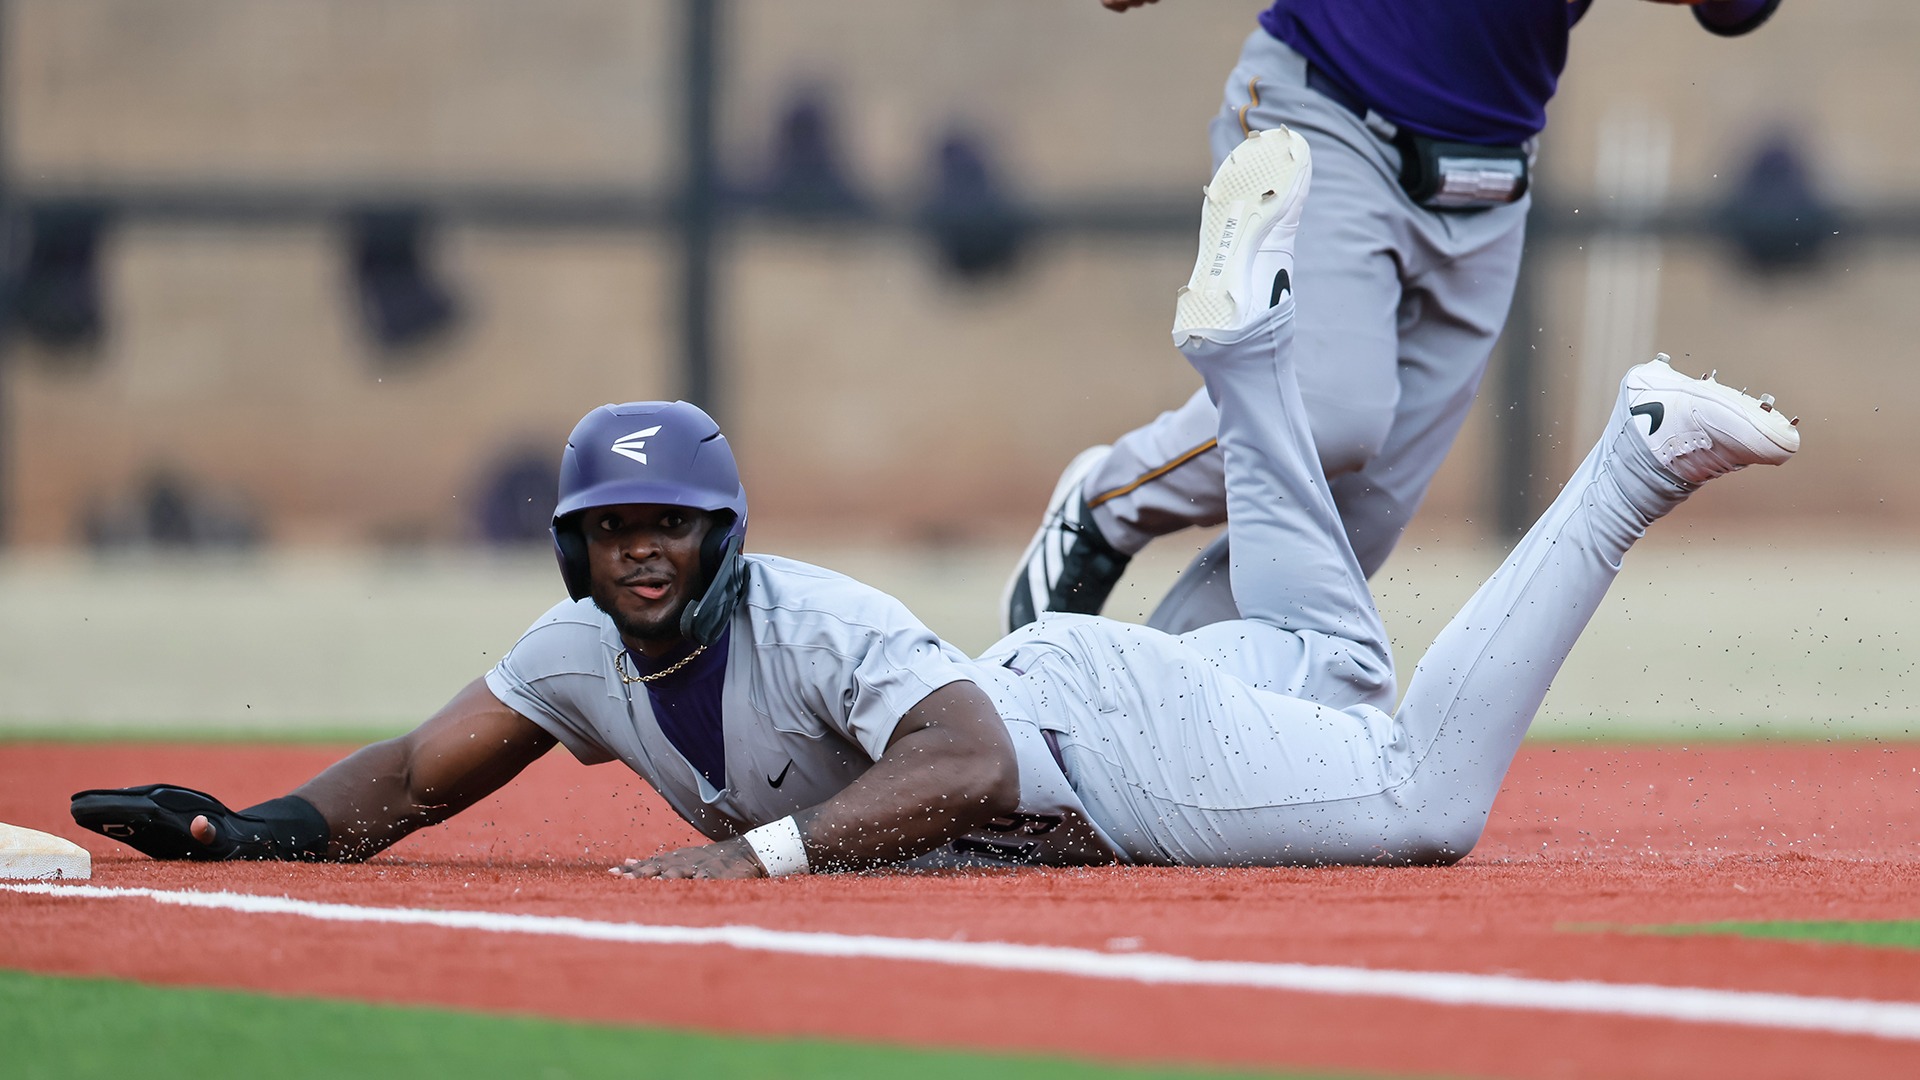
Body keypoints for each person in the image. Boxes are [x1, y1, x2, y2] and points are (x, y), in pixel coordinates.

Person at [71, 129, 1798, 877]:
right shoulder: (577, 656)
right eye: (614, 533)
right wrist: (252, 829)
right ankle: (1247, 360)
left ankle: (1635, 452)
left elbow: (968, 763)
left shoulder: (802, 617)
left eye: (672, 526)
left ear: (727, 538)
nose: (645, 552)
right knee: (1326, 666)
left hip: (1090, 747)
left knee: (1425, 803)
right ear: (577, 555)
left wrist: (755, 861)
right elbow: (408, 779)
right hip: (1093, 726)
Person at [1004, 0, 1786, 636]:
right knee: (1332, 414)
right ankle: (1109, 502)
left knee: (1353, 527)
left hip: (1491, 181)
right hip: (1329, 112)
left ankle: (1149, 721)